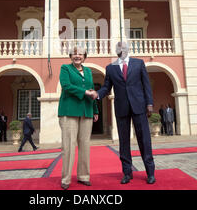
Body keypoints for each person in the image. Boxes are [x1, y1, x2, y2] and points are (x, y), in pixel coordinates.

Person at [90, 41, 155, 185]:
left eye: (124, 47)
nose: (121, 49)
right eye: (119, 47)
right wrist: (97, 94)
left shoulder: (138, 63)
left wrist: (149, 103)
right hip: (121, 108)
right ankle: (127, 173)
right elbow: (106, 87)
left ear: (128, 49)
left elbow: (146, 84)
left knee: (144, 140)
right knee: (124, 142)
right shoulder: (111, 68)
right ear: (116, 50)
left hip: (139, 107)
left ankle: (150, 172)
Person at [58, 46, 99, 190]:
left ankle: (83, 176)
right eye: (75, 53)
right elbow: (66, 86)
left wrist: (95, 110)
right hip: (69, 111)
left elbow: (92, 89)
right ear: (70, 56)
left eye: (80, 54)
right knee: (68, 146)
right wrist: (85, 92)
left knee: (85, 145)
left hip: (86, 111)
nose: (77, 56)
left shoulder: (88, 71)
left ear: (84, 56)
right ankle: (66, 179)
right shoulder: (65, 68)